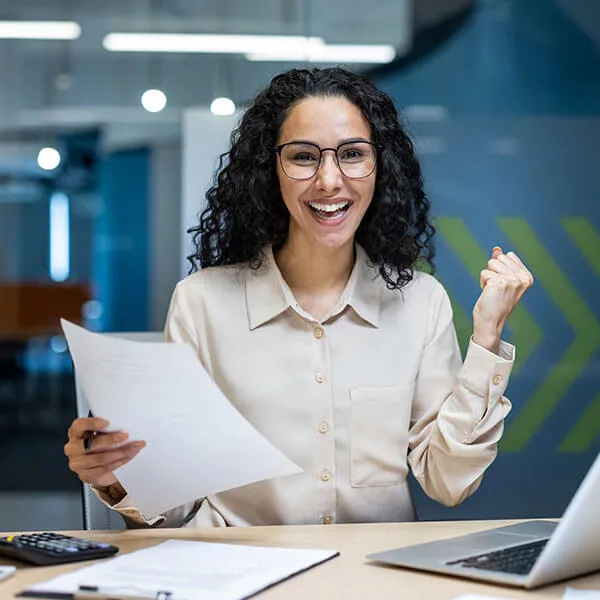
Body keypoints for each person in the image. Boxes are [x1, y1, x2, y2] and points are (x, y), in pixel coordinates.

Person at [64, 67, 533, 528]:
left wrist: (487, 339)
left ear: (379, 167)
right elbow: (179, 505)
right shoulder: (201, 303)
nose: (330, 180)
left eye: (352, 154)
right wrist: (116, 478)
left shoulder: (420, 302)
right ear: (271, 171)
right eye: (304, 156)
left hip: (371, 578)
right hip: (242, 577)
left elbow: (448, 482)